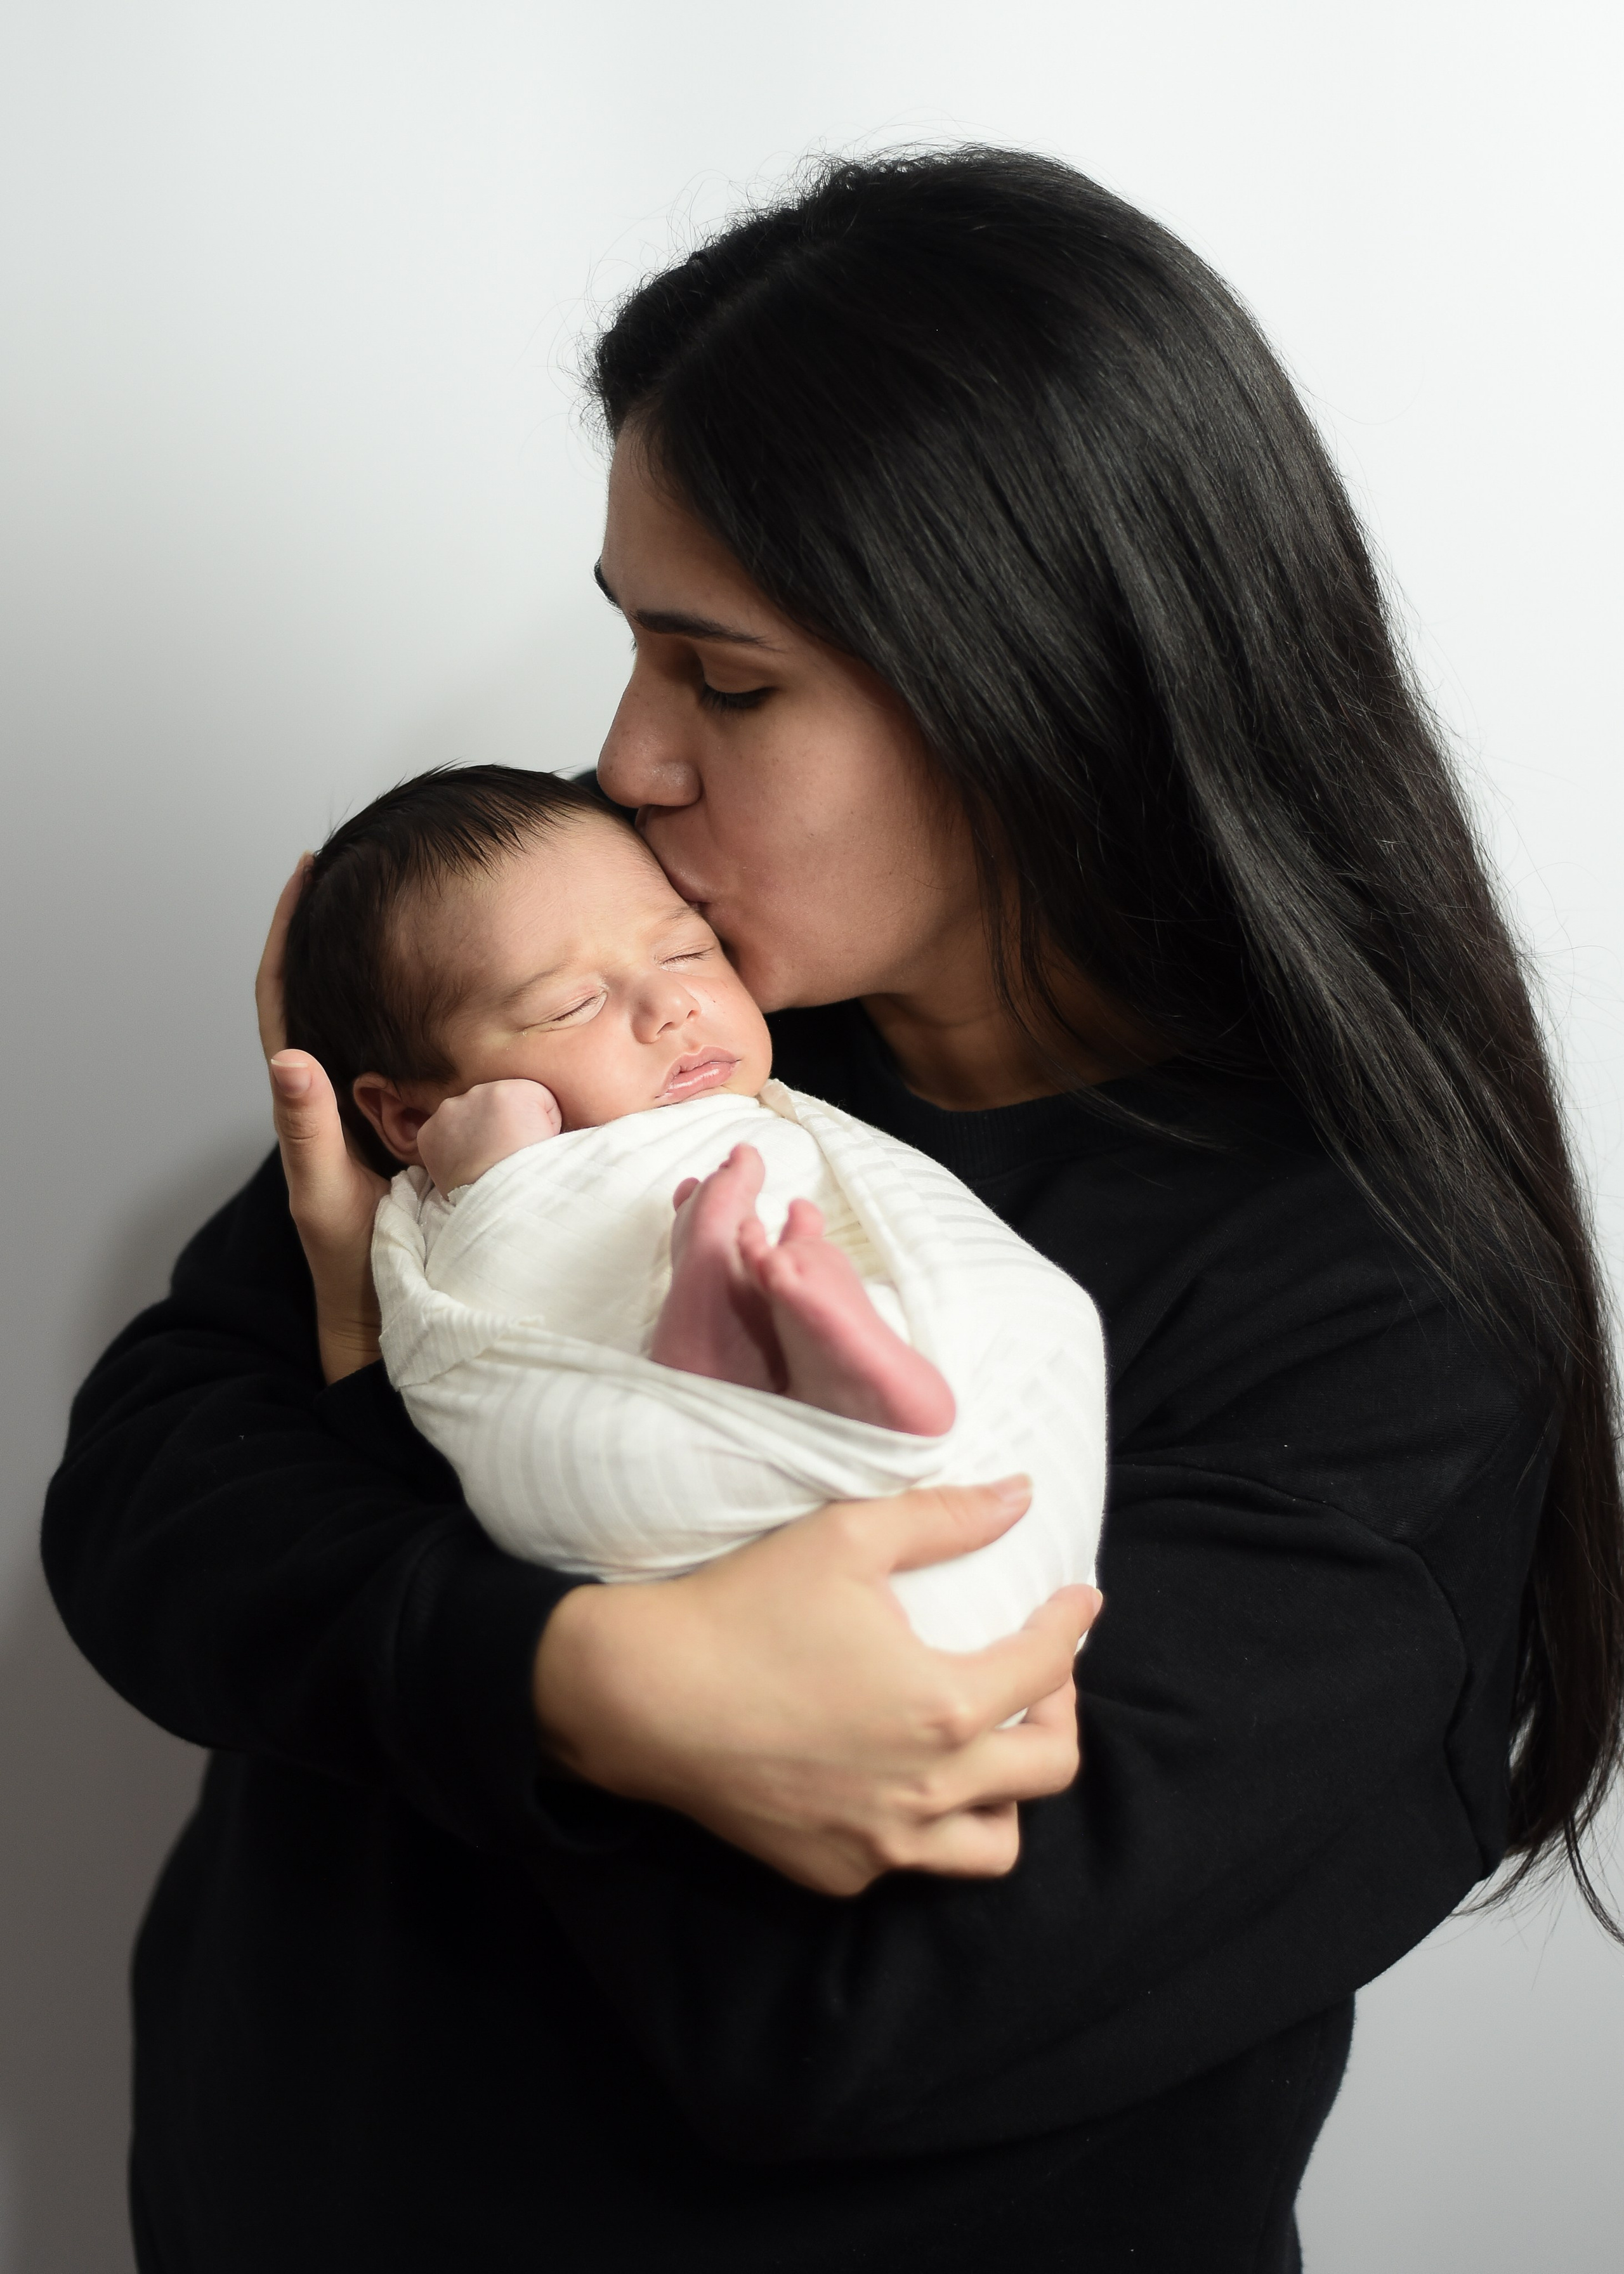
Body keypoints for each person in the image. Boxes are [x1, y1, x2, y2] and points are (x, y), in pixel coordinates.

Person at [42, 147, 1623, 2274]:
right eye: (633, 651)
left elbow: (839, 2020)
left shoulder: (1376, 1325)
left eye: (732, 680)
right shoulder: (631, 1002)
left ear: (1042, 680)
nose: (624, 760)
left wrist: (378, 1396)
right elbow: (143, 1499)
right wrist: (602, 1686)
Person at [282, 761, 1104, 1645]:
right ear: (409, 1114)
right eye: (574, 1005)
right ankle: (745, 1362)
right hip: (686, 1533)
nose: (671, 1003)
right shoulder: (466, 1172)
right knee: (573, 1459)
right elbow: (482, 1322)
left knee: (1037, 1309)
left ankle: (787, 1352)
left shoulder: (783, 1102)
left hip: (933, 1526)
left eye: (686, 950)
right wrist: (494, 1175)